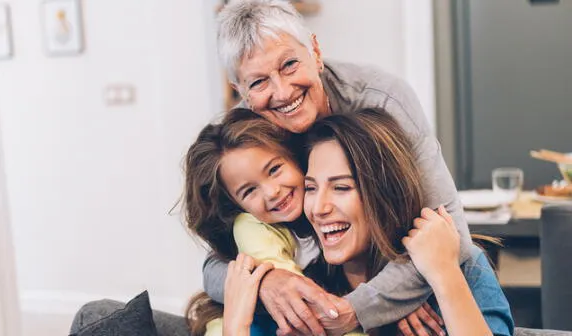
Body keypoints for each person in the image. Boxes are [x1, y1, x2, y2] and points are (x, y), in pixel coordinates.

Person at [202, 1, 474, 335]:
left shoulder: (382, 100)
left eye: (289, 64)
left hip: (400, 276)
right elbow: (215, 265)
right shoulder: (249, 136)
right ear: (240, 91)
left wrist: (359, 307)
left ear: (315, 52)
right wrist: (268, 281)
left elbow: (451, 236)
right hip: (330, 280)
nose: (282, 91)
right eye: (258, 83)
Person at [220, 109, 512, 336]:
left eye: (342, 187)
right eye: (311, 188)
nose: (318, 208)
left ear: (385, 194)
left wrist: (444, 275)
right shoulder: (311, 288)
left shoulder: (463, 268)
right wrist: (235, 326)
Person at [182, 107, 366, 336]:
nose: (271, 192)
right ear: (236, 206)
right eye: (249, 191)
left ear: (295, 157)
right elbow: (304, 307)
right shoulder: (252, 229)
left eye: (275, 169)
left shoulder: (336, 215)